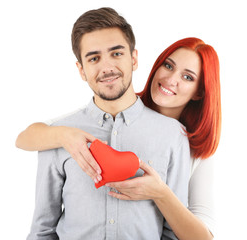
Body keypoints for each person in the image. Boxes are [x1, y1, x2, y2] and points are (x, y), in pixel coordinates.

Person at [23, 7, 191, 240]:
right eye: (94, 58)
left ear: (134, 58)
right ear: (81, 70)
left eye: (117, 53)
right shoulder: (57, 135)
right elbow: (42, 230)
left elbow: (173, 232)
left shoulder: (173, 135)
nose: (107, 67)